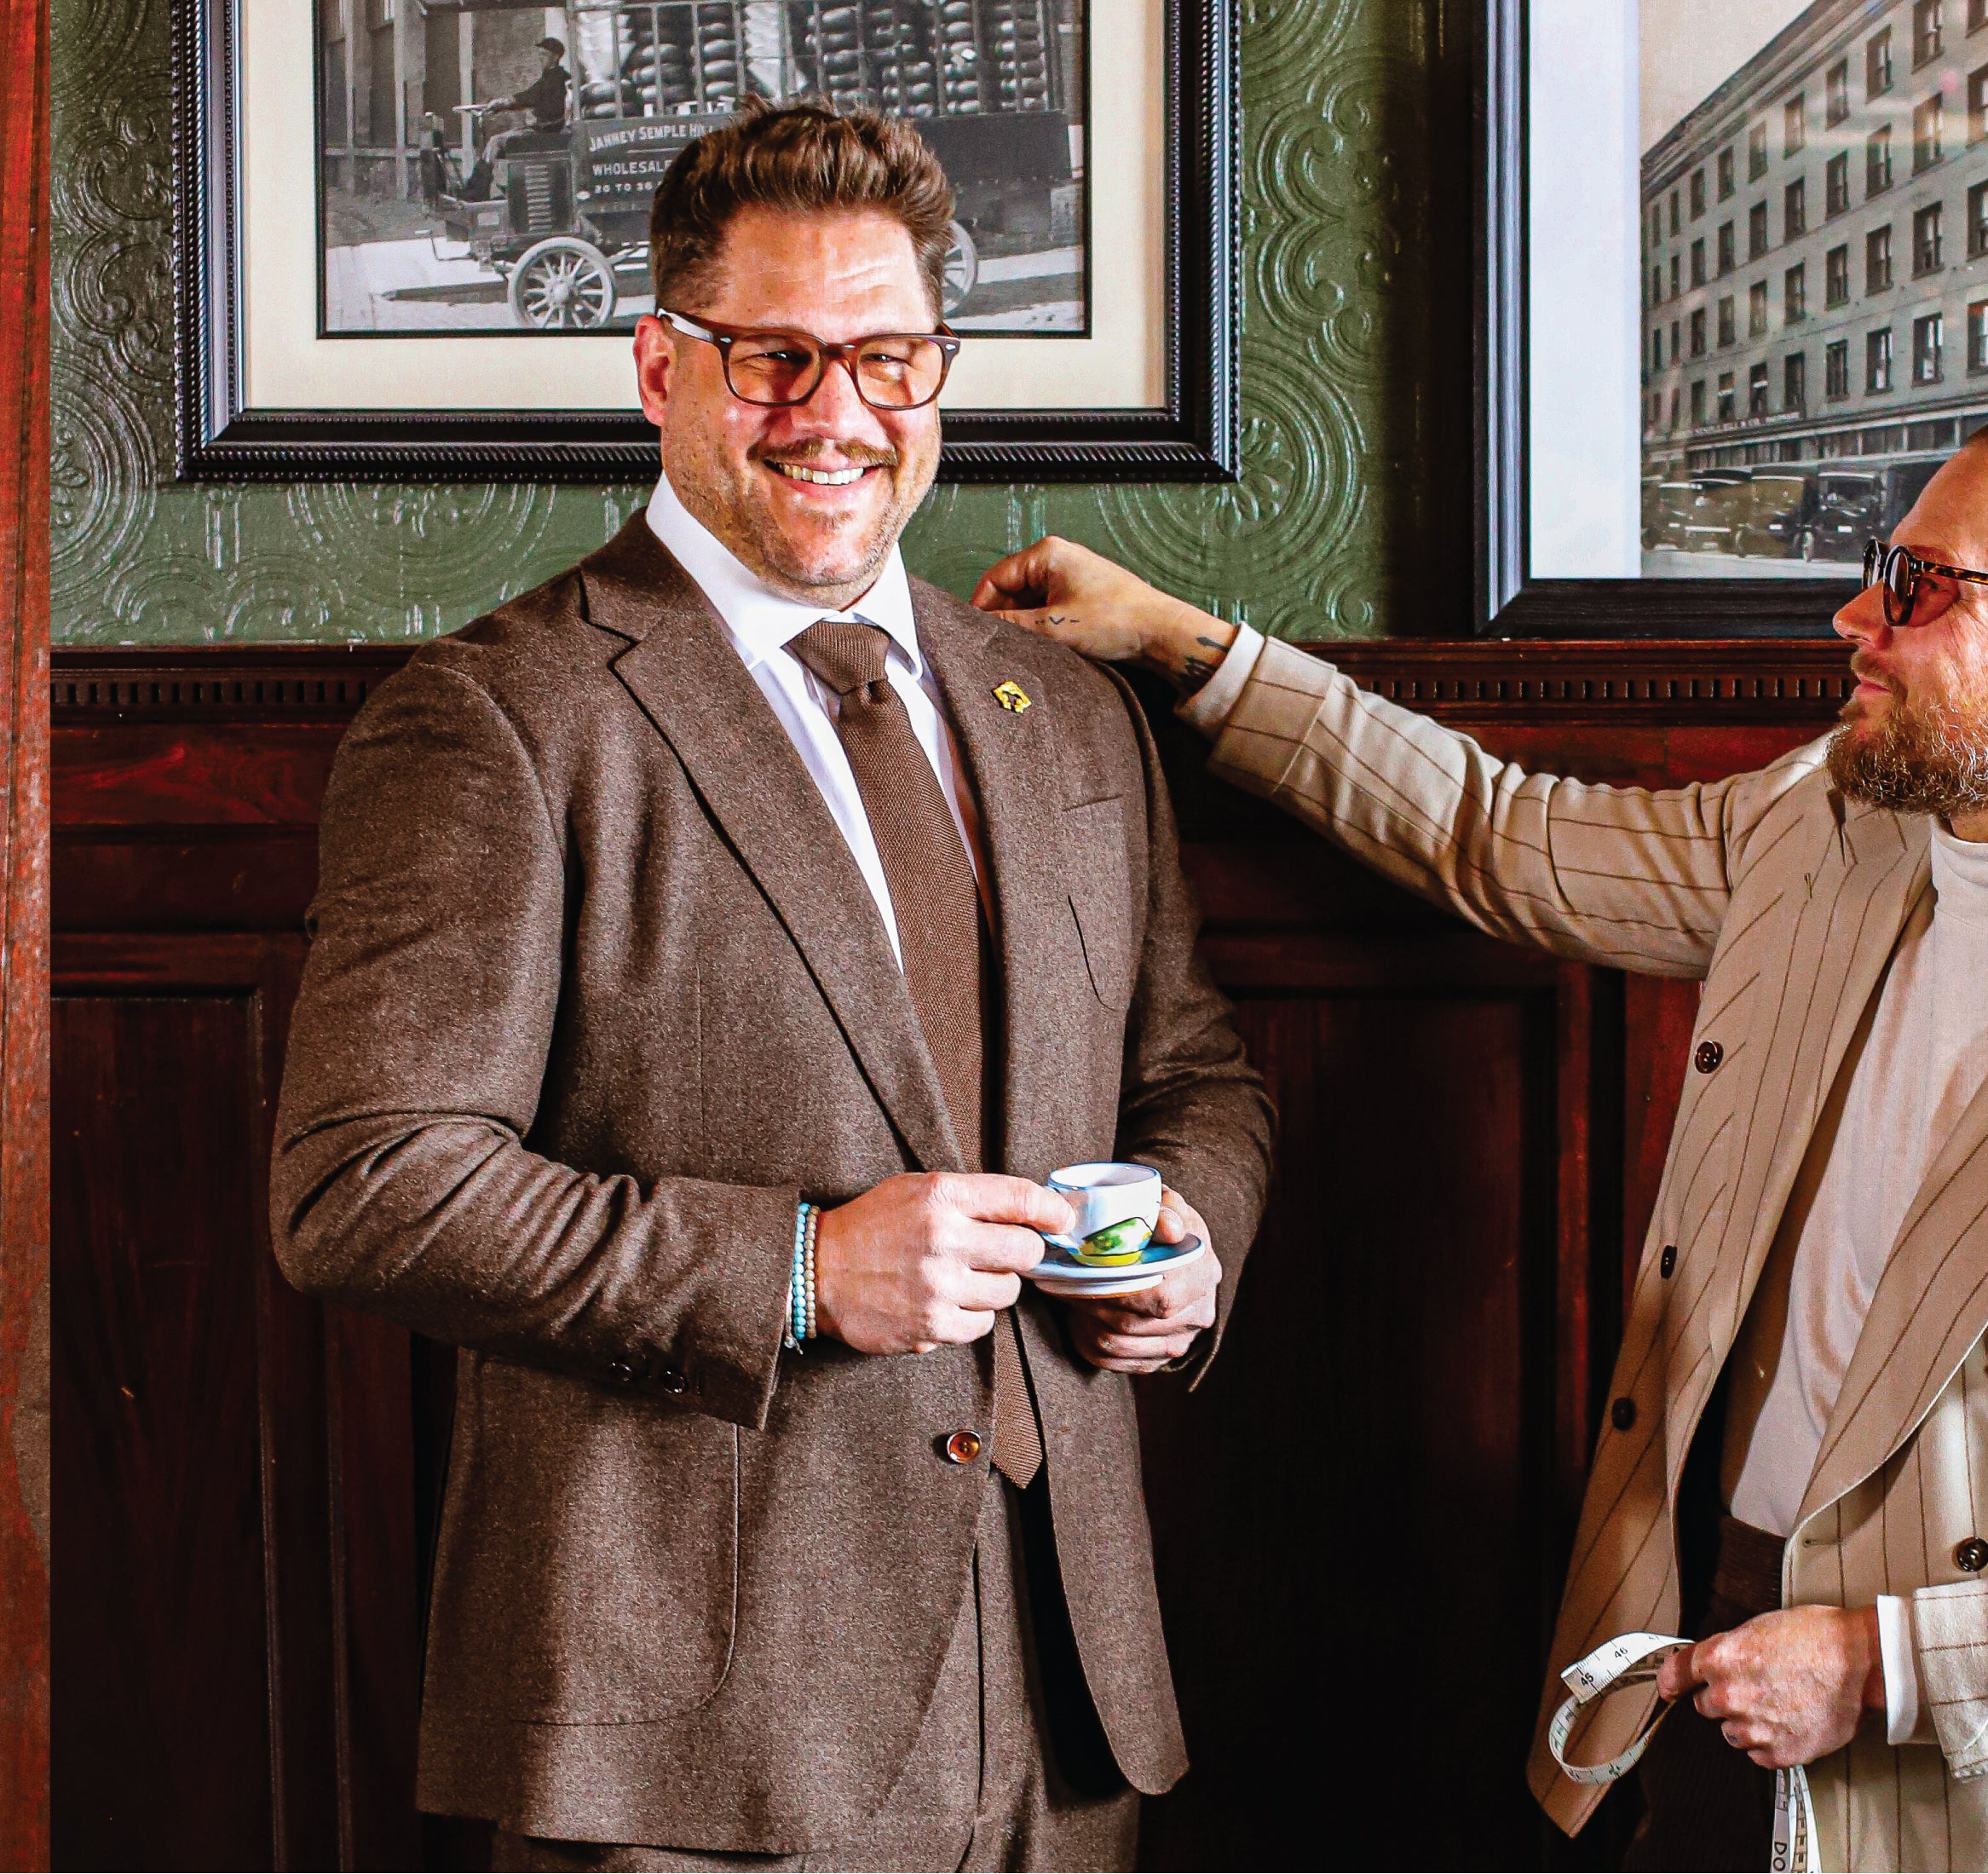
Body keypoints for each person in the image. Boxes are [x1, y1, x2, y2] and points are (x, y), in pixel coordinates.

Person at [975, 411, 1988, 1871]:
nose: (1855, 615)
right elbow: (1502, 835)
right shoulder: (1830, 823)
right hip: (1703, 1646)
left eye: (1919, 585)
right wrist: (1184, 645)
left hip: (1983, 1795)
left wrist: (1874, 1662)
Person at [272, 99, 1273, 1870]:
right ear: (660, 365)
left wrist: (1190, 1243)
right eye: (773, 358)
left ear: (940, 370)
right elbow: (368, 1186)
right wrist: (804, 1268)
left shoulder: (1067, 714)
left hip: (1063, 1698)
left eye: (886, 356)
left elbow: (1193, 1068)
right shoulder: (498, 717)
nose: (837, 414)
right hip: (694, 1734)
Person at [462, 36, 574, 196]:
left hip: (545, 132)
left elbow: (530, 96)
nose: (540, 58)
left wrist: (504, 103)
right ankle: (493, 186)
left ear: (555, 57)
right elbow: (530, 96)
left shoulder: (555, 79)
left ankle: (476, 191)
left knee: (495, 142)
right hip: (544, 130)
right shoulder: (552, 77)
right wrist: (502, 106)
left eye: (544, 55)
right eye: (539, 54)